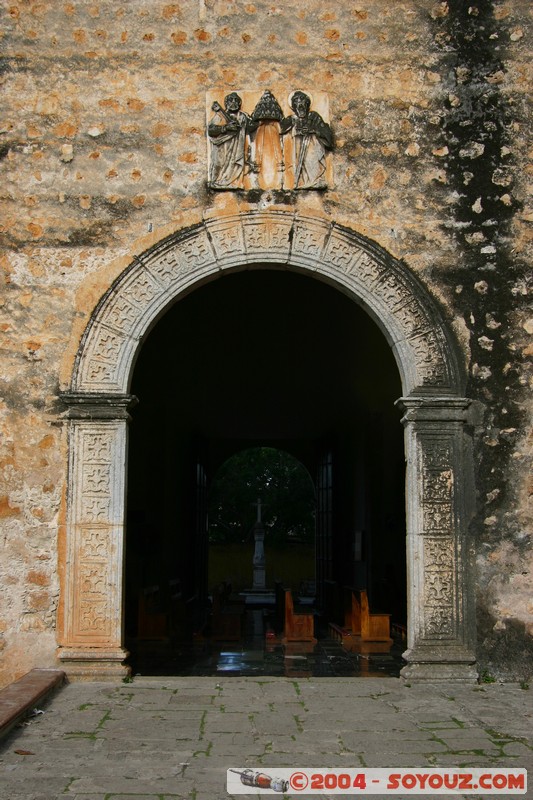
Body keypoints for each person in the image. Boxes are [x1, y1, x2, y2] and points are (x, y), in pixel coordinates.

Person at [281, 91, 334, 189]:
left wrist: (312, 130)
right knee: (298, 162)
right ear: (294, 107)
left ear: (307, 104)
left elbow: (324, 130)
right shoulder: (293, 118)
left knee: (310, 158)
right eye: (297, 104)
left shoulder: (313, 116)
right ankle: (303, 182)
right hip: (297, 143)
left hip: (311, 143)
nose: (300, 106)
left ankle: (315, 180)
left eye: (303, 103)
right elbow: (281, 128)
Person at [208, 92, 257, 189]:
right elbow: (211, 130)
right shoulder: (220, 116)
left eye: (236, 100)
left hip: (237, 147)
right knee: (218, 164)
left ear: (239, 104)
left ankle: (234, 183)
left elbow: (252, 127)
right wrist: (225, 128)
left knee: (235, 164)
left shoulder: (243, 116)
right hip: (222, 146)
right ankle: (216, 181)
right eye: (231, 100)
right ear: (226, 103)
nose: (234, 102)